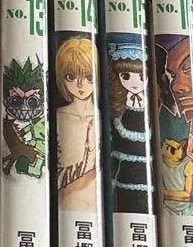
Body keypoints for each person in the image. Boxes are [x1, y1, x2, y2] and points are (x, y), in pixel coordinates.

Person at [54, 36, 97, 210]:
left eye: (88, 77)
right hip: (65, 202)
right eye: (71, 76)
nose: (80, 84)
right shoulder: (58, 116)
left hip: (96, 201)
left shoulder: (103, 119)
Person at [107, 43, 150, 213]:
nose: (134, 83)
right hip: (122, 167)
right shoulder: (118, 105)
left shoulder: (150, 105)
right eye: (126, 76)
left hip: (146, 167)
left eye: (141, 76)